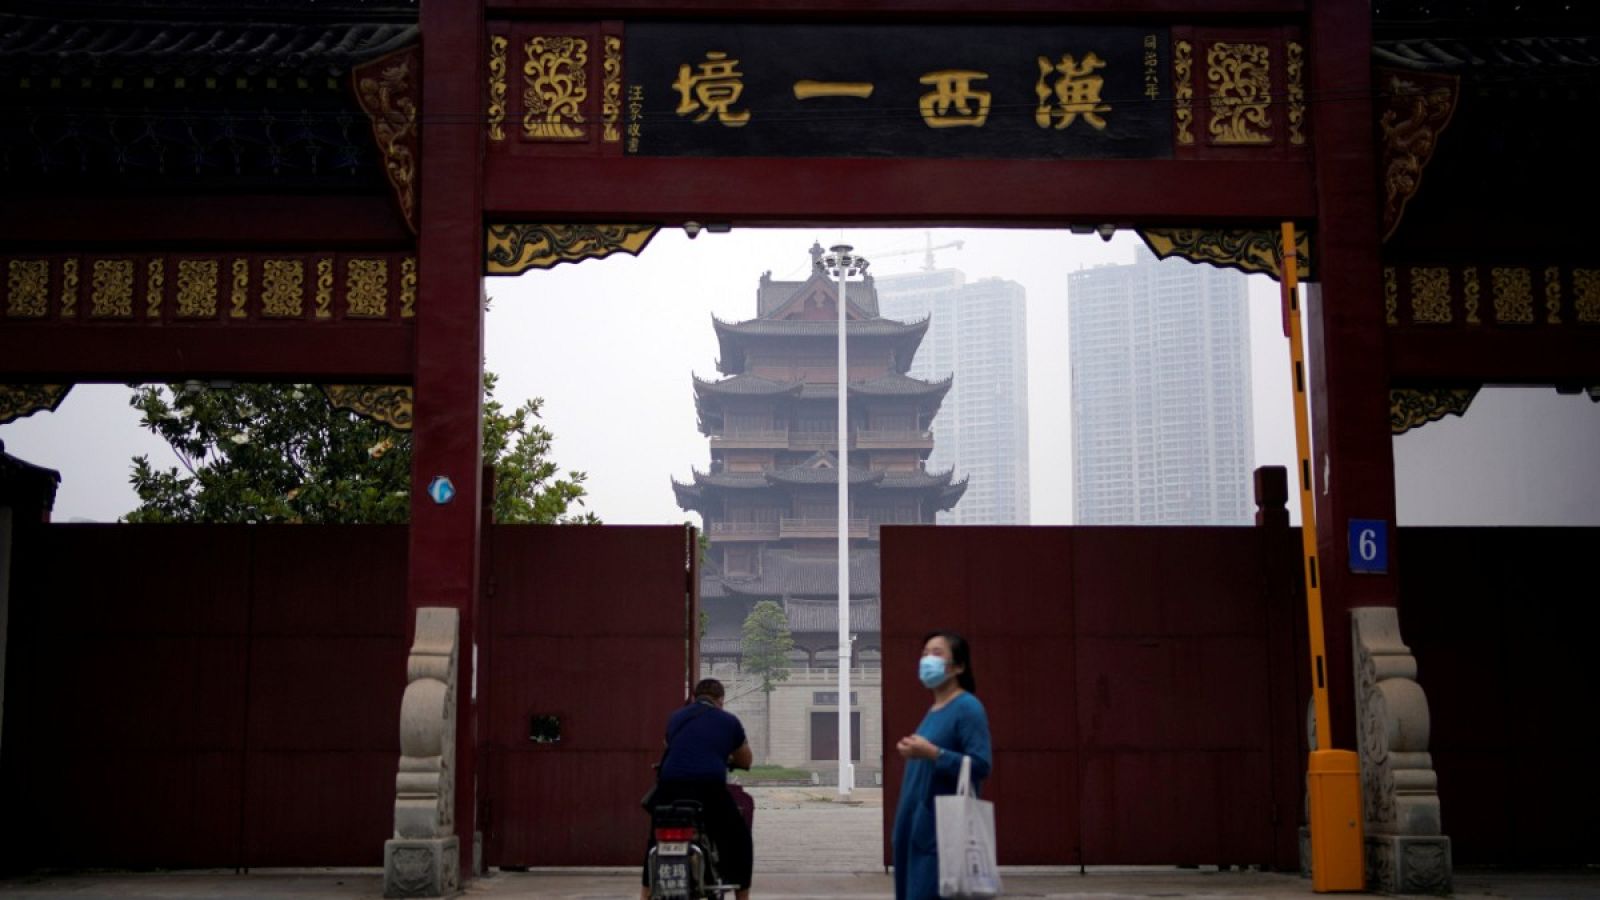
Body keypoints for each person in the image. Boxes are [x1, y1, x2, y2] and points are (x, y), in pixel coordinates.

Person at [891, 631, 992, 900]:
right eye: (924, 653)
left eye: (936, 653)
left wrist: (934, 752)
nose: (927, 660)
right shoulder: (935, 709)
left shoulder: (967, 707)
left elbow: (981, 765)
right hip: (914, 825)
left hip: (941, 832)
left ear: (958, 666)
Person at [641, 678, 755, 900]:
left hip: (670, 788)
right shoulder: (728, 721)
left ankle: (644, 895)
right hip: (709, 788)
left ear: (694, 697)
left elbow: (668, 745)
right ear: (721, 700)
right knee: (738, 839)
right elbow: (746, 759)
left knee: (655, 840)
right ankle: (742, 897)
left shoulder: (676, 718)